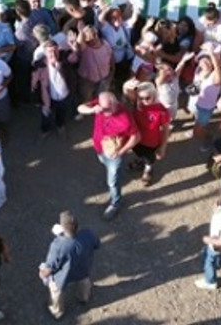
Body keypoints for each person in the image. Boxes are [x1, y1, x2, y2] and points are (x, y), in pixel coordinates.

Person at [78, 91, 139, 220]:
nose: (104, 111)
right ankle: (114, 178)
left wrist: (121, 152)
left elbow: (136, 137)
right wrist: (92, 110)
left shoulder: (125, 119)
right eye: (102, 108)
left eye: (108, 108)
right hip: (100, 149)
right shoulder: (100, 105)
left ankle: (115, 203)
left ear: (115, 103)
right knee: (106, 167)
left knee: (112, 181)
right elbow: (80, 108)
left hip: (114, 155)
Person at [40, 211, 101, 321]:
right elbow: (97, 244)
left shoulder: (58, 245)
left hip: (63, 276)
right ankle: (84, 298)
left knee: (56, 291)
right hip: (83, 269)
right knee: (85, 282)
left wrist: (43, 272)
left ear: (62, 228)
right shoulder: (88, 234)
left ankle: (57, 311)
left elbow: (51, 267)